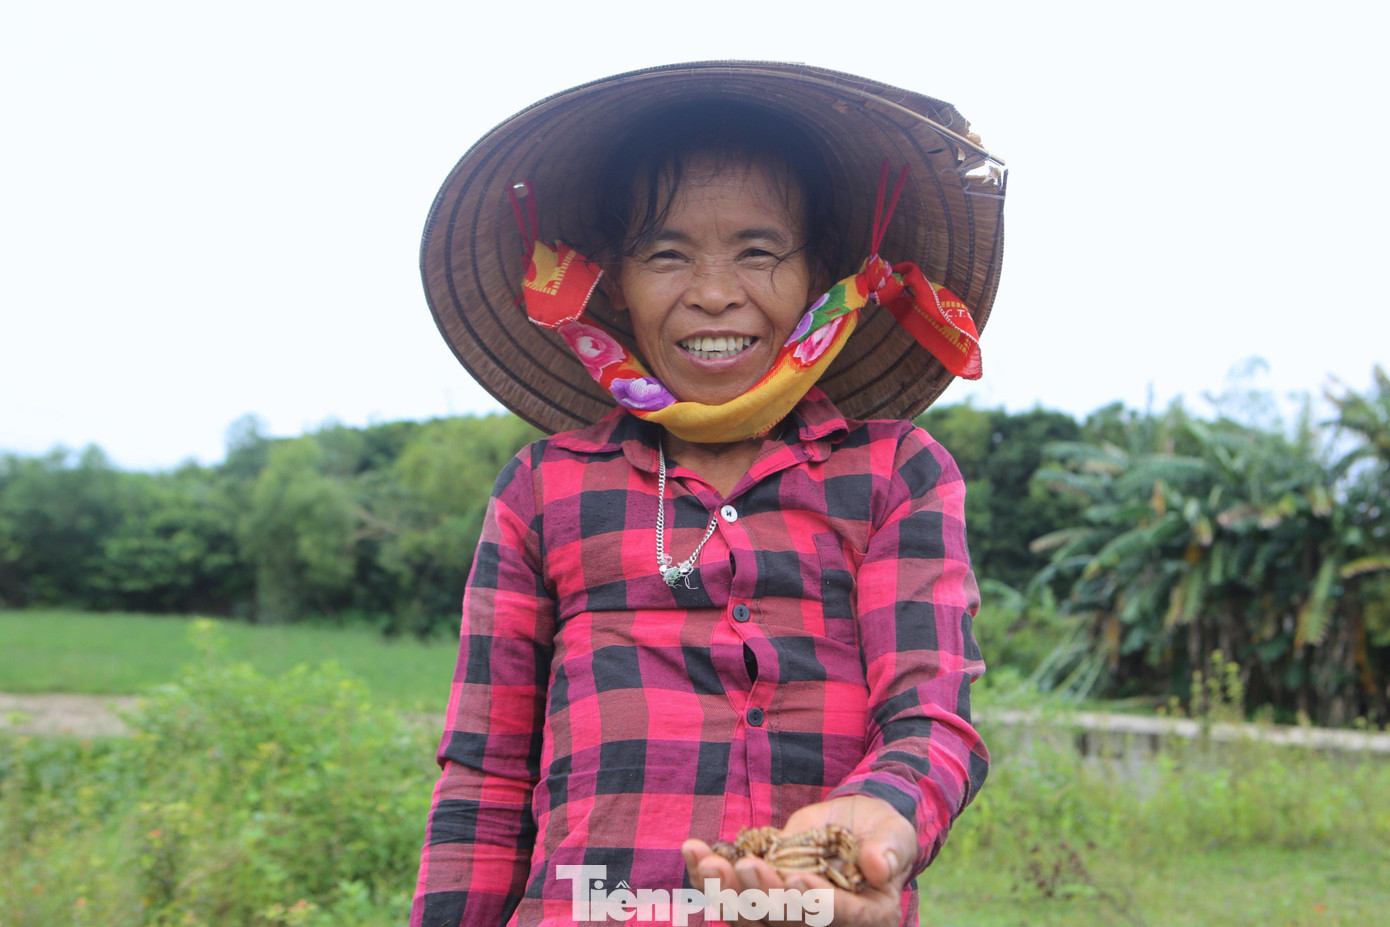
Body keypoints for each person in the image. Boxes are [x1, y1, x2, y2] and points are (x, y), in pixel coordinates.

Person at [412, 62, 1005, 927]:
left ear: (822, 274)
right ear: (613, 282)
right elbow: (485, 774)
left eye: (758, 252)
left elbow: (931, 715)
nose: (715, 292)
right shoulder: (545, 490)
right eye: (667, 253)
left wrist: (884, 814)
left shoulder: (893, 473)